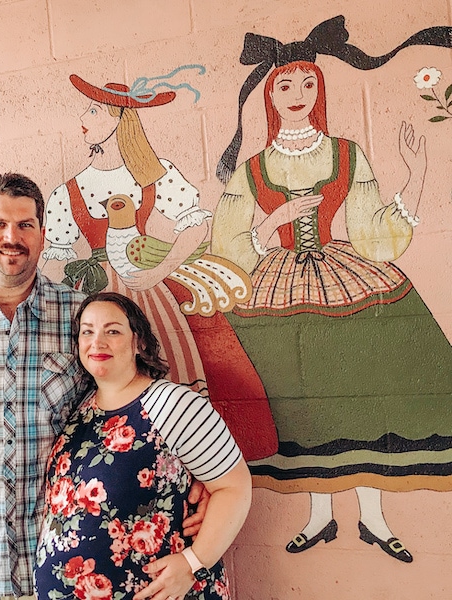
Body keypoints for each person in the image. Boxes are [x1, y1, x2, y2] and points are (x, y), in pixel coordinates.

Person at [0, 172, 211, 598]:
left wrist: (196, 480)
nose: (13, 237)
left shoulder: (81, 320)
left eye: (25, 225)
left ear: (43, 236)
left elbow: (132, 408)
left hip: (60, 568)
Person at [212, 16, 452, 563]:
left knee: (361, 388)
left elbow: (372, 234)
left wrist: (415, 174)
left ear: (320, 90)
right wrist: (275, 224)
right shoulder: (252, 169)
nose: (296, 95)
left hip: (345, 278)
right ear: (269, 96)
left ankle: (373, 517)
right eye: (284, 85)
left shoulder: (346, 153)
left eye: (307, 84)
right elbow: (225, 243)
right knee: (301, 403)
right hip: (277, 283)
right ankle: (319, 516)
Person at [43, 71, 277, 463]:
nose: (85, 117)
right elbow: (55, 256)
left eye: (94, 109)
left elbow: (196, 224)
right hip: (99, 301)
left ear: (119, 119)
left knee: (168, 386)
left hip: (149, 291)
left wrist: (160, 270)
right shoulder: (68, 191)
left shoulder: (157, 174)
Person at [35, 292, 252, 600]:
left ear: (139, 343)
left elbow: (235, 487)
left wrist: (193, 563)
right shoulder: (80, 411)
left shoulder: (171, 404)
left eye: (113, 331)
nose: (97, 342)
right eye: (88, 331)